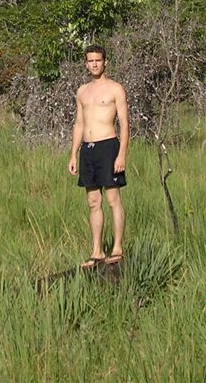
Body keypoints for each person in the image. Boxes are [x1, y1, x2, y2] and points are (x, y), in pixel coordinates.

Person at [68, 44, 129, 268]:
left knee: (113, 200)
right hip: (88, 149)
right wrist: (73, 154)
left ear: (105, 62)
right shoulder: (82, 91)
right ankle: (97, 251)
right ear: (86, 63)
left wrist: (121, 154)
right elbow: (79, 123)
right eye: (90, 61)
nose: (94, 64)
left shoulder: (115, 89)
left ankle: (117, 248)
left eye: (98, 60)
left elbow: (124, 124)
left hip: (108, 146)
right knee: (93, 201)